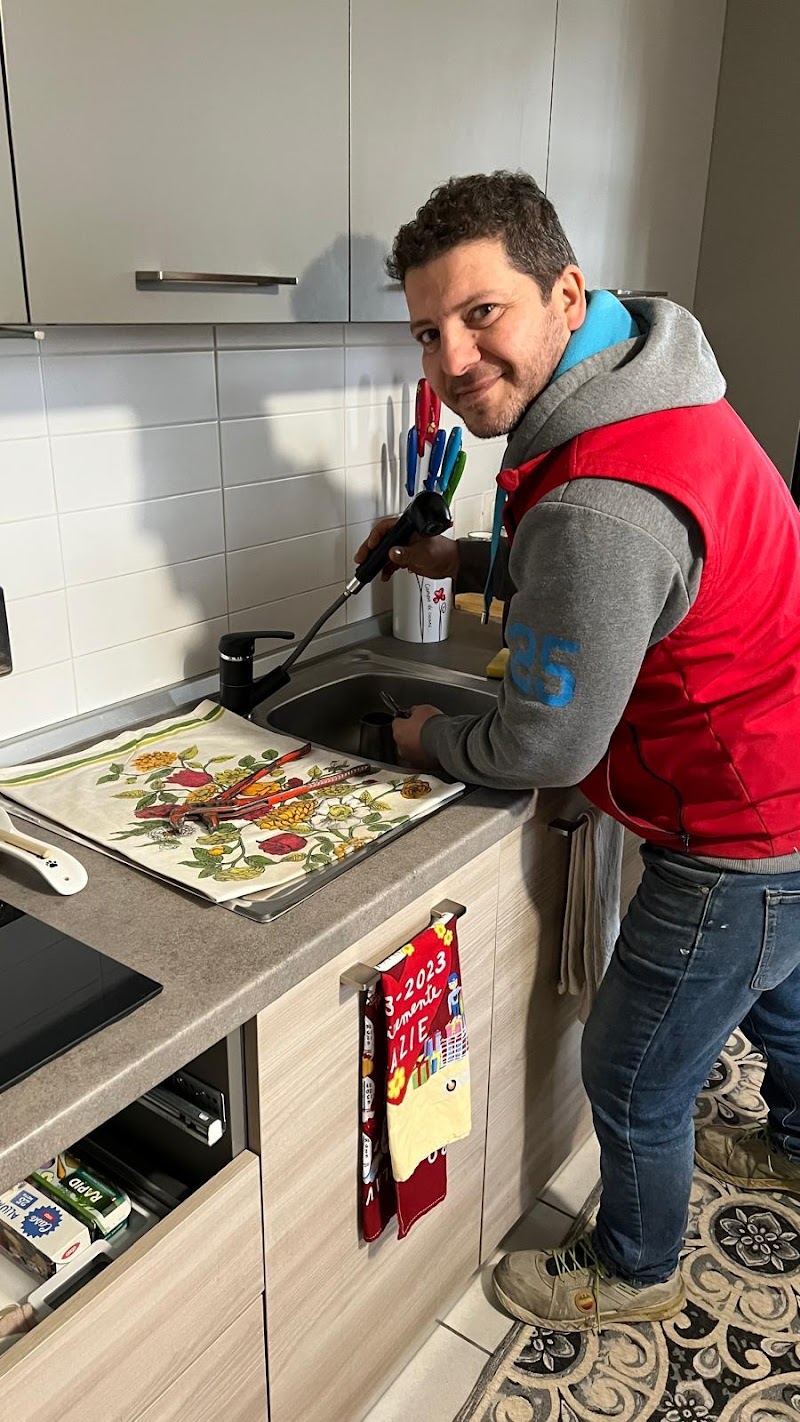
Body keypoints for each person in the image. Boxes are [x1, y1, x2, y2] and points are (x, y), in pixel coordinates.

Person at [355, 170, 800, 1332]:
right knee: (778, 990)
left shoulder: (598, 494)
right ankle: (795, 1143)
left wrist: (424, 735)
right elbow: (616, 581)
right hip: (783, 775)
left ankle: (634, 1270)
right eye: (427, 332)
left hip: (736, 826)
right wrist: (460, 561)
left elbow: (544, 741)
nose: (452, 359)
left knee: (633, 1070)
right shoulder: (647, 392)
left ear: (563, 293)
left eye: (479, 314)